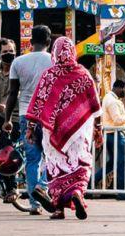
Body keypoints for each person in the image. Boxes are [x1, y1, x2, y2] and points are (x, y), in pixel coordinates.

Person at [25, 36, 101, 219]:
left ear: (55, 53)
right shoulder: (83, 74)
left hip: (52, 133)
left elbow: (38, 104)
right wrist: (98, 130)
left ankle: (58, 208)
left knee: (56, 168)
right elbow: (94, 106)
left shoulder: (49, 76)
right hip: (79, 132)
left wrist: (30, 128)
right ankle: (77, 193)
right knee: (80, 164)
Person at [4, 25, 55, 214]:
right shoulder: (54, 61)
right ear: (49, 42)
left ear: (30, 42)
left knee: (32, 159)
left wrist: (7, 119)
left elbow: (12, 94)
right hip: (48, 116)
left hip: (26, 115)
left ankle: (35, 204)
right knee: (52, 155)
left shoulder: (18, 62)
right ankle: (43, 185)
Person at [96, 77, 125, 196]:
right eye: (124, 90)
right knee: (123, 162)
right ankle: (122, 192)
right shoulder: (112, 101)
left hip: (111, 134)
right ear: (118, 88)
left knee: (112, 164)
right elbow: (117, 119)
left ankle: (91, 183)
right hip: (116, 134)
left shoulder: (109, 98)